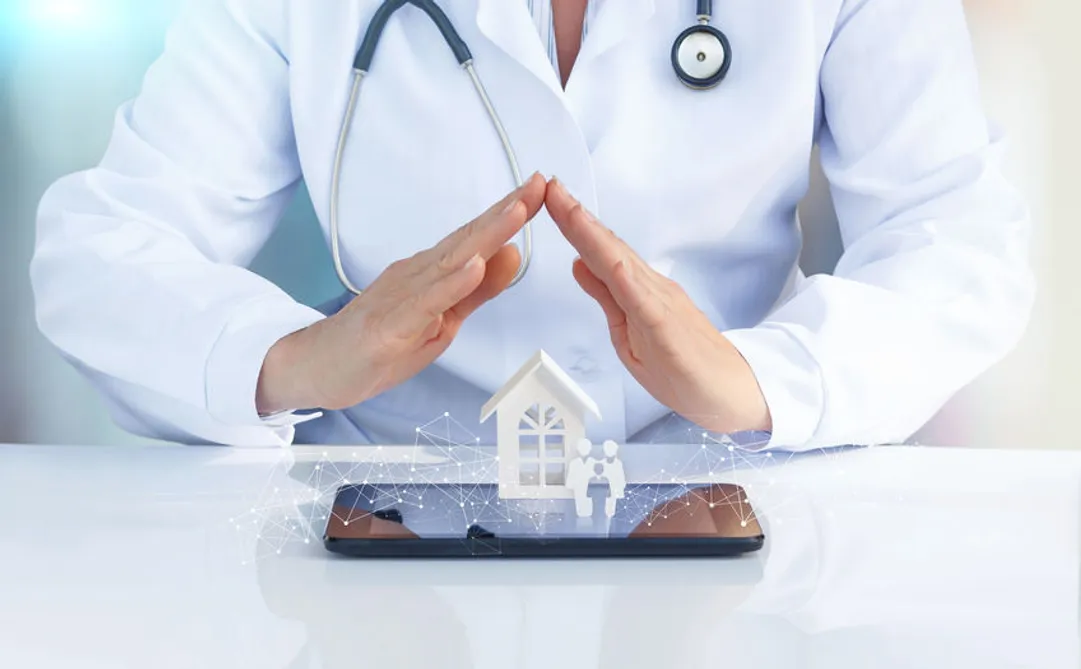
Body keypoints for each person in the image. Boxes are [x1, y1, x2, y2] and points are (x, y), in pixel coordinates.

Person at [30, 0, 1034, 451]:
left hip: (726, 485)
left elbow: (957, 236)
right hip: (382, 519)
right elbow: (102, 250)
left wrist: (764, 380)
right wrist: (293, 359)